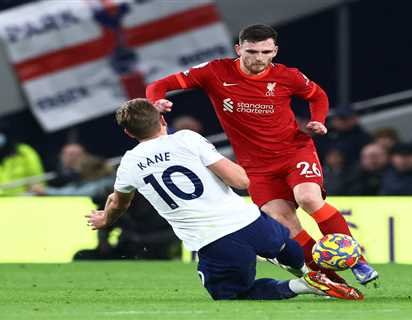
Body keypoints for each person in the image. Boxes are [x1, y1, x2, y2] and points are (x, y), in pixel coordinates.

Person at [146, 24, 378, 285]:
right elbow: (159, 84)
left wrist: (318, 120)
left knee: (308, 198)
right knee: (285, 222)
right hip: (255, 167)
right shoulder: (215, 71)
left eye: (265, 52)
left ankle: (357, 261)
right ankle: (331, 280)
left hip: (294, 151)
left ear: (274, 51)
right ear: (239, 49)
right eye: (252, 51)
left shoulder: (288, 76)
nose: (258, 58)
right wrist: (157, 103)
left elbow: (318, 96)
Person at [85, 99, 363, 301]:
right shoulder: (187, 139)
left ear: (129, 133)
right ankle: (310, 272)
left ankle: (308, 286)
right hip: (251, 222)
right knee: (281, 244)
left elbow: (118, 203)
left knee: (231, 295)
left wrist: (105, 219)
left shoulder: (129, 163)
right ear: (162, 120)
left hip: (214, 241)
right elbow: (241, 181)